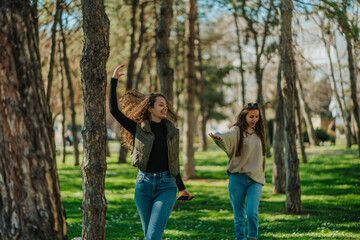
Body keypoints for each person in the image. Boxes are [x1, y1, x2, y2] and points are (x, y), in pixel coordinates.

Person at [109, 64, 193, 240]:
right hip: (143, 185)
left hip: (166, 185)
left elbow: (173, 161)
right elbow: (114, 111)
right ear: (150, 108)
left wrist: (181, 188)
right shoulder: (138, 129)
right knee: (149, 234)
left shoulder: (171, 131)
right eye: (161, 105)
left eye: (166, 105)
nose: (165, 108)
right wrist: (114, 81)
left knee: (153, 235)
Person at [209, 102, 266, 240]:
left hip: (255, 179)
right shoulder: (236, 131)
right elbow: (225, 136)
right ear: (244, 116)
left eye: (257, 116)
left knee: (252, 213)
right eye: (251, 116)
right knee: (239, 216)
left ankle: (253, 237)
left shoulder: (260, 133)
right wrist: (218, 136)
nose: (254, 119)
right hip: (237, 179)